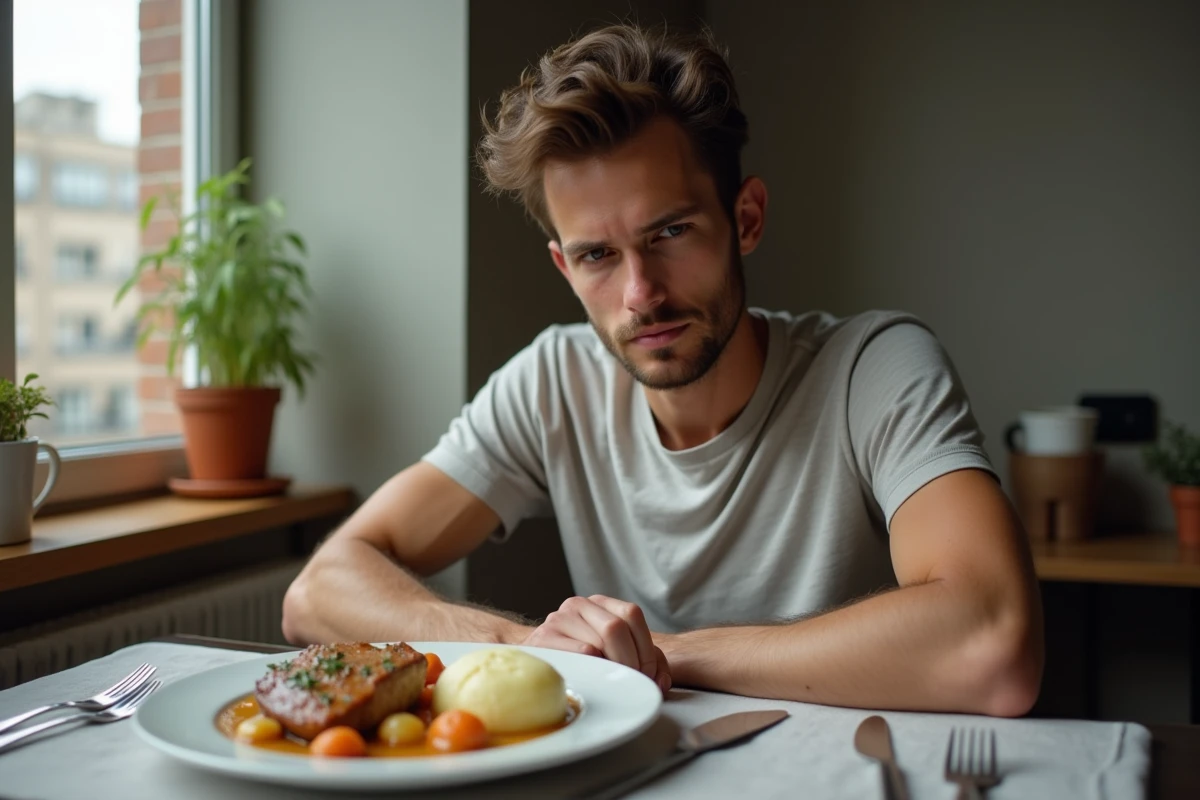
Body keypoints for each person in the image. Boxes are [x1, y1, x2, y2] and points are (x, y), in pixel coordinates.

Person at [283, 23, 1044, 716]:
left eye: (671, 231)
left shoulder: (874, 370)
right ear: (564, 266)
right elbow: (319, 591)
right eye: (597, 256)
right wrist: (522, 653)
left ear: (745, 219)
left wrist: (662, 656)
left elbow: (992, 642)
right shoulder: (554, 381)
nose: (641, 293)